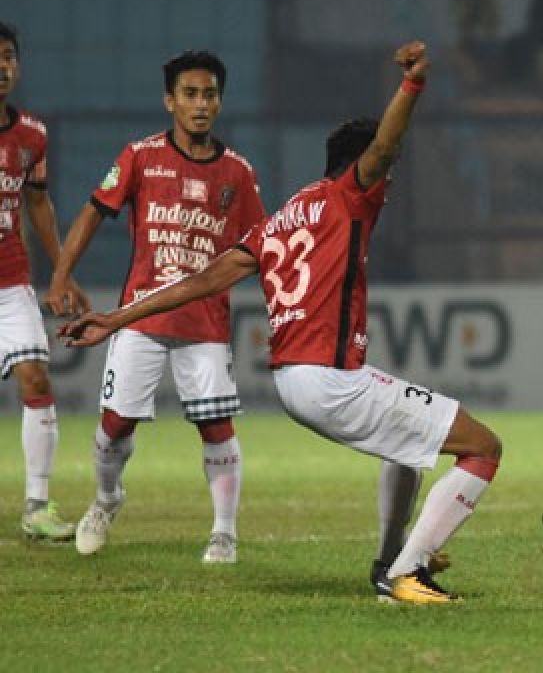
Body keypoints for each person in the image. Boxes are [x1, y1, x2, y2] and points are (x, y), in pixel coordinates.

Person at [61, 41, 502, 606]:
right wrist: (412, 84)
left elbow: (201, 279)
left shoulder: (288, 214)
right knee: (484, 447)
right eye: (381, 171)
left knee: (406, 449)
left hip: (293, 381)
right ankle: (408, 573)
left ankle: (388, 564)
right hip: (328, 378)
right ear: (361, 167)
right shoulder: (348, 197)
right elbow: (387, 144)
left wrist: (115, 318)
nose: (387, 180)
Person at [45, 50, 266, 563]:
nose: (201, 103)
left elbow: (260, 247)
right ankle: (106, 500)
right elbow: (93, 211)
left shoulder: (238, 172)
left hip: (205, 323)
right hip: (140, 318)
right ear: (170, 100)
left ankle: (224, 532)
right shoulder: (140, 157)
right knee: (115, 423)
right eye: (190, 94)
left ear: (220, 100)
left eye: (209, 94)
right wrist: (61, 273)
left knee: (215, 425)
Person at [0, 21, 88, 541]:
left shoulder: (31, 134)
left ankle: (36, 505)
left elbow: (37, 202)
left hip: (11, 282)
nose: (2, 66)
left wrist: (61, 273)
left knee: (35, 378)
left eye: (8, 55)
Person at [451, 0, 501, 86]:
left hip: (487, 40)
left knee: (492, 58)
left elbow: (495, 21)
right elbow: (458, 20)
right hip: (468, 40)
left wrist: (486, 28)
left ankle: (486, 86)